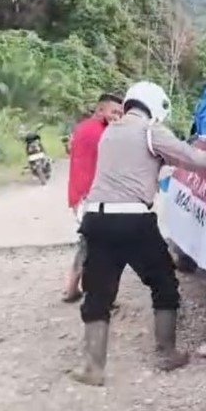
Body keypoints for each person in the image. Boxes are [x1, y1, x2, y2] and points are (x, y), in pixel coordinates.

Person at [69, 81, 206, 386]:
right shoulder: (150, 131)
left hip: (96, 219)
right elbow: (195, 160)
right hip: (133, 220)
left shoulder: (111, 131)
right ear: (154, 105)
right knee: (163, 283)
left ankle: (92, 367)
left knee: (98, 293)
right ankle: (166, 354)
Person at [63, 93, 124, 303]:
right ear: (100, 110)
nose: (117, 116)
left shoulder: (83, 128)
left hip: (80, 195)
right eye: (113, 111)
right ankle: (95, 294)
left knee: (88, 242)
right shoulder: (103, 133)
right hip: (91, 197)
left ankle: (73, 288)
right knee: (97, 246)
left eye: (120, 113)